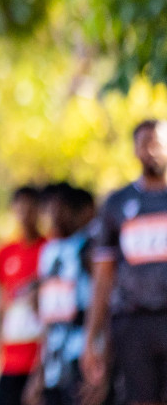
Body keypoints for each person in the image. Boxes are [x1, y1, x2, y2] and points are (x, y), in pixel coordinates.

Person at [83, 120, 167, 404]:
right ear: (134, 150)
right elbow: (103, 275)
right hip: (133, 322)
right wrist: (92, 338)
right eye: (145, 143)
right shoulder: (117, 204)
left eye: (158, 142)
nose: (152, 150)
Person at [25, 183, 98, 405]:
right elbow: (48, 316)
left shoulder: (90, 248)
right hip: (54, 364)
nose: (54, 216)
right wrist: (38, 372)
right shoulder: (49, 251)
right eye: (49, 210)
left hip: (82, 357)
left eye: (61, 208)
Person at [0, 185, 47, 405]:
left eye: (31, 209)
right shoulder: (6, 251)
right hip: (11, 355)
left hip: (42, 355)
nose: (25, 215)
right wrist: (0, 303)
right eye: (21, 209)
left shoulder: (49, 249)